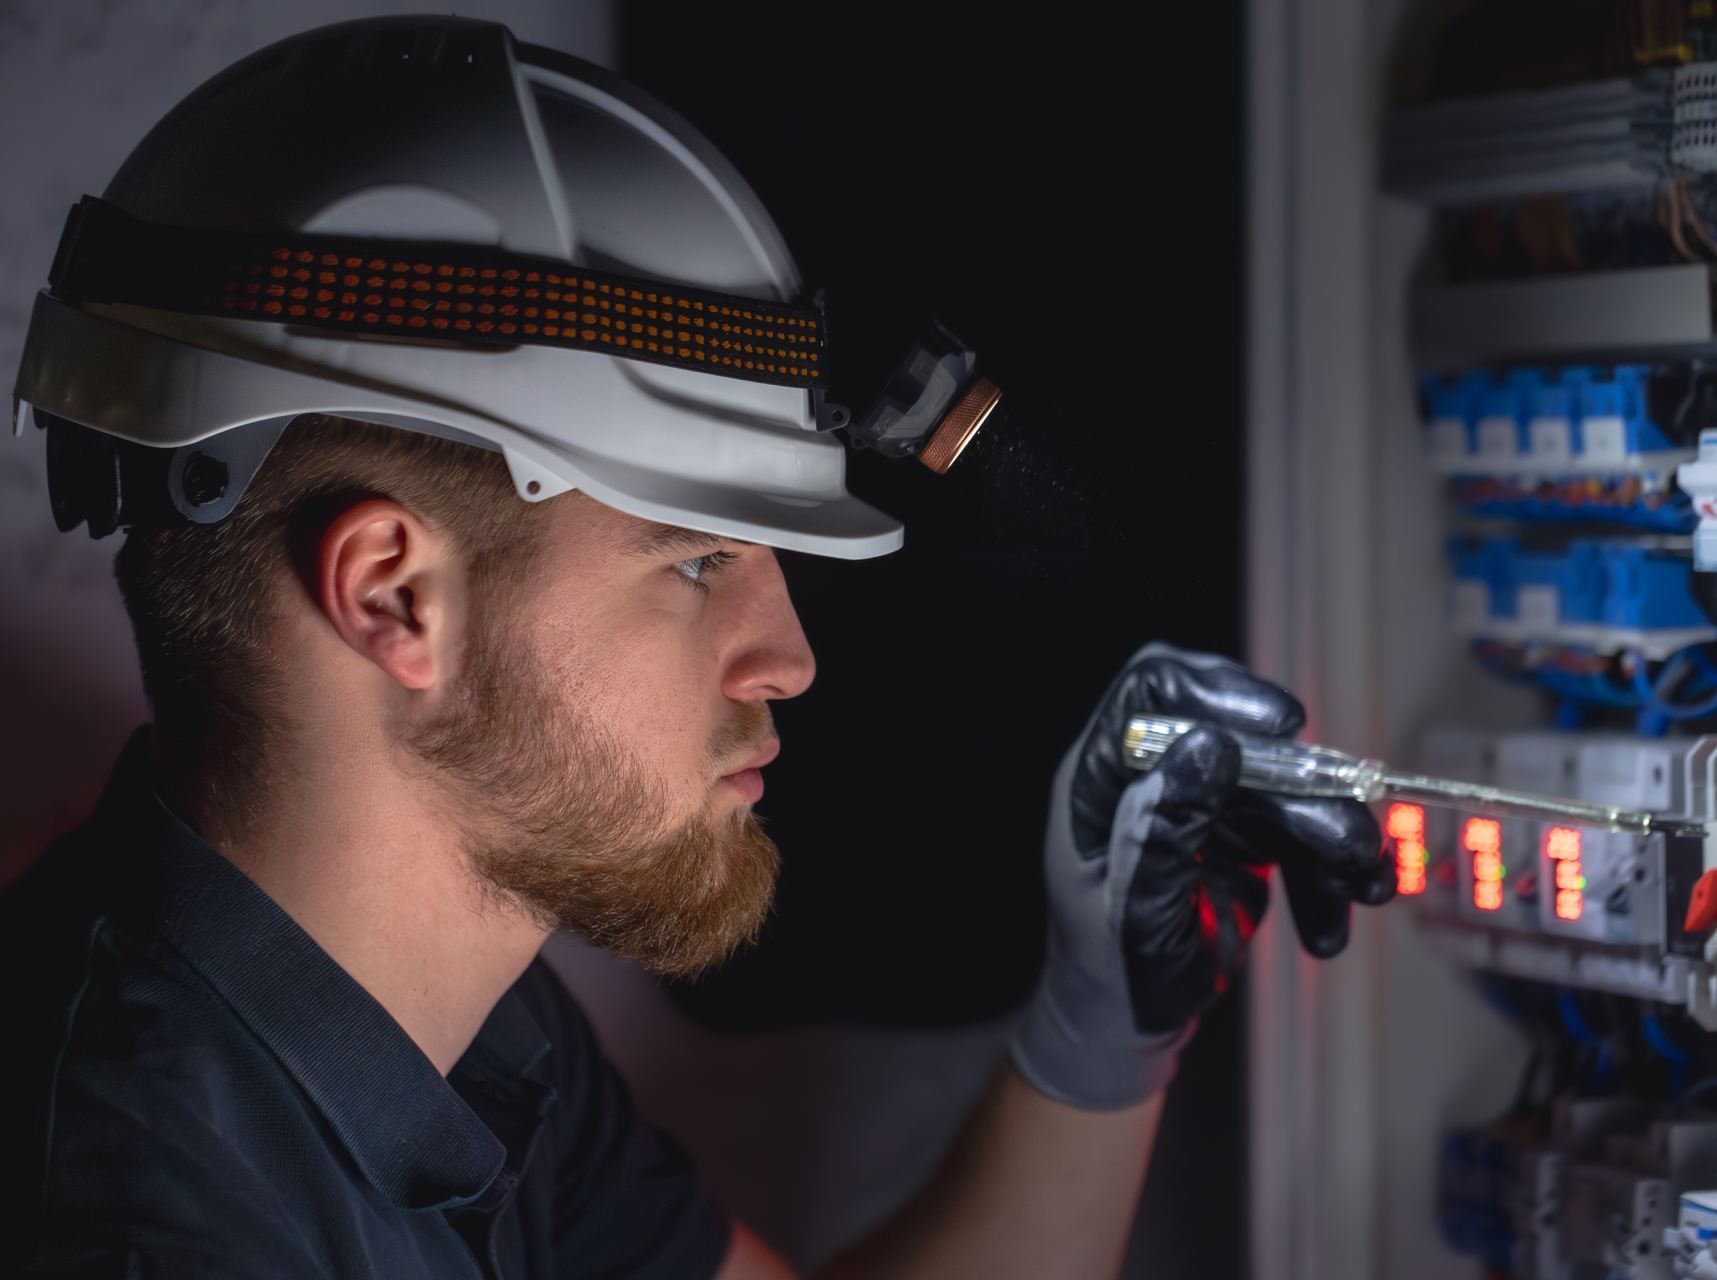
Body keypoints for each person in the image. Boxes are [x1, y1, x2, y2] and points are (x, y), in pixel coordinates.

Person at [1, 17, 1394, 1279]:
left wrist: (1102, 1035)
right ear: (393, 598)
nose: (786, 659)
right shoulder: (149, 1228)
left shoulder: (445, 1031)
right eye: (698, 560)